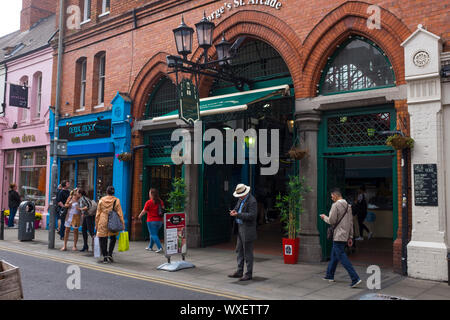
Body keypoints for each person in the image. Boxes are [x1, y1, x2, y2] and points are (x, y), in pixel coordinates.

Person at [320, 188, 362, 288]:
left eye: (331, 196)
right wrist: (350, 236)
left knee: (342, 258)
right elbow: (351, 223)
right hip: (345, 235)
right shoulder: (348, 206)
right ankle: (329, 275)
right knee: (334, 256)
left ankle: (355, 278)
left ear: (335, 195)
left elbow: (331, 221)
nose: (331, 198)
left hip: (338, 235)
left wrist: (324, 217)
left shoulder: (335, 205)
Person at [228, 183, 257, 281]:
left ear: (245, 193)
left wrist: (238, 214)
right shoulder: (241, 200)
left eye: (240, 195)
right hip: (240, 228)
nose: (239, 196)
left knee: (247, 253)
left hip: (247, 229)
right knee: (239, 250)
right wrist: (233, 211)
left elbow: (252, 216)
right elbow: (237, 209)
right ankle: (239, 271)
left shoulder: (252, 201)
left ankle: (248, 274)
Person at [95, 186, 125, 264]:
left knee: (102, 238)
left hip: (103, 219)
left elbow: (98, 213)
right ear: (113, 193)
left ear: (106, 192)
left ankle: (105, 256)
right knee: (113, 237)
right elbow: (120, 213)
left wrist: (96, 224)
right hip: (113, 220)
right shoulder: (116, 200)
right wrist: (122, 223)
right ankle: (110, 254)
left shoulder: (101, 200)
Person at [138, 188, 164, 253]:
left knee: (153, 234)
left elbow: (144, 211)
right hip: (159, 221)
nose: (149, 194)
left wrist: (140, 216)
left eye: (149, 193)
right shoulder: (160, 201)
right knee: (153, 234)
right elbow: (163, 210)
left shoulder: (149, 202)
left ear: (151, 194)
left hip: (151, 221)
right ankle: (150, 247)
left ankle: (160, 247)